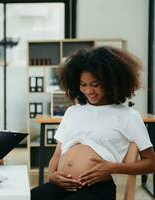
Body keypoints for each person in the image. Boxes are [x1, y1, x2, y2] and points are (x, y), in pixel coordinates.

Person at [31, 46, 155, 200]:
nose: (89, 91)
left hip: (97, 188)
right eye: (83, 84)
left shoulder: (128, 116)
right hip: (60, 185)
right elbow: (57, 154)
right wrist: (52, 175)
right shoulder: (73, 112)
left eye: (95, 84)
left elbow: (151, 163)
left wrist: (114, 168)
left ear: (111, 82)